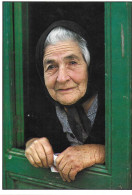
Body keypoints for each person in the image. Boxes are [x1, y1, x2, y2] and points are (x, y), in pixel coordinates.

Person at [25, 20, 105, 182]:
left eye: (73, 62)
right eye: (51, 67)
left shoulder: (119, 102)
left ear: (89, 67)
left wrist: (99, 152)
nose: (61, 78)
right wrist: (31, 144)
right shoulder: (41, 107)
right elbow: (25, 136)